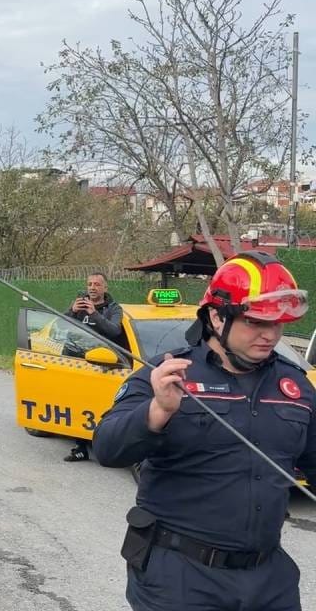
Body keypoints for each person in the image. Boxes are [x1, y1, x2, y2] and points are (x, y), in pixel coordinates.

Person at [93, 251, 315, 611]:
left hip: (269, 580)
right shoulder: (167, 374)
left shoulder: (296, 386)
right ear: (216, 316)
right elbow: (107, 447)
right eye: (256, 322)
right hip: (180, 578)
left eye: (279, 323)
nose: (270, 334)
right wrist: (156, 411)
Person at [63, 272, 126, 462]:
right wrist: (72, 311)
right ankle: (79, 447)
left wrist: (94, 314)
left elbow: (114, 331)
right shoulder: (78, 305)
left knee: (95, 404)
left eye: (97, 284)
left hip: (101, 363)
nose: (92, 287)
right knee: (75, 402)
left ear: (105, 288)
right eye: (89, 284)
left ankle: (99, 440)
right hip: (75, 361)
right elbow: (60, 326)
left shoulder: (114, 309)